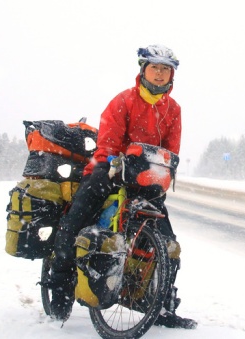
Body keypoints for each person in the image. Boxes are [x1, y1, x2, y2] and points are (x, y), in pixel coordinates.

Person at [47, 44, 196, 329]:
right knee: (74, 220)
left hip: (145, 178)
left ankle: (163, 305)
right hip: (109, 170)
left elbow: (170, 148)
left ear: (172, 75)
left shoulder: (173, 109)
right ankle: (61, 288)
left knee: (168, 242)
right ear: (143, 70)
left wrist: (162, 173)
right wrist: (115, 163)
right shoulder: (124, 100)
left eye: (166, 69)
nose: (160, 73)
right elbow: (108, 142)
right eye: (155, 67)